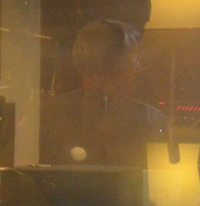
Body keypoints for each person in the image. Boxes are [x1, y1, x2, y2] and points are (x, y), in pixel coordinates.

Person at [40, 19, 167, 168]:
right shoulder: (148, 119)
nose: (138, 66)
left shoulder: (45, 114)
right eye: (134, 56)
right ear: (118, 62)